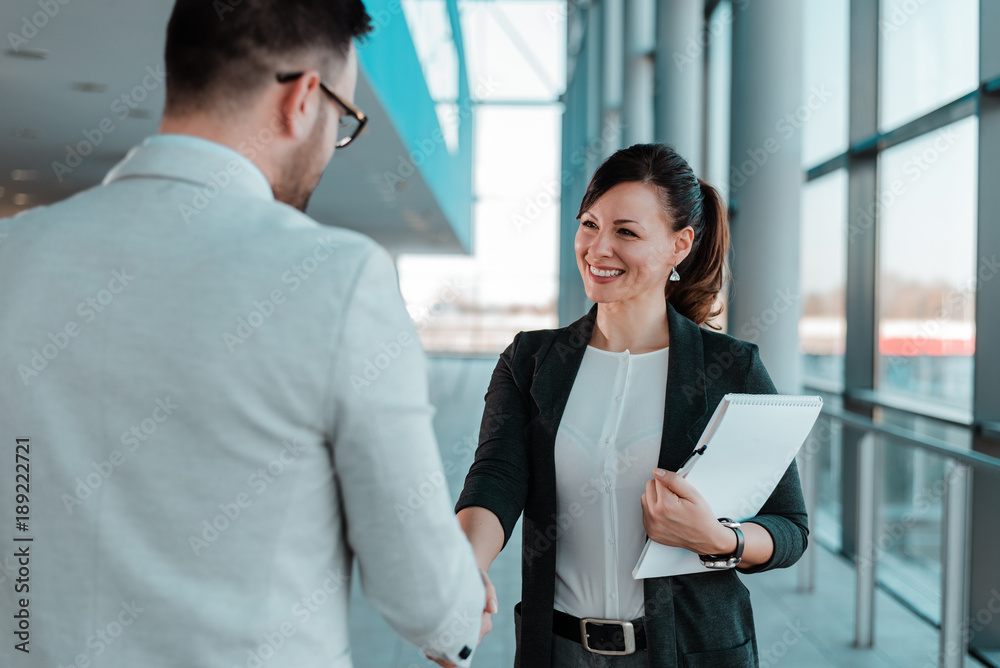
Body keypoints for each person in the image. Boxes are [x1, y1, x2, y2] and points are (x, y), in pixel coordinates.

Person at [0, 1, 489, 666]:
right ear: (303, 100)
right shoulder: (338, 279)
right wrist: (461, 606)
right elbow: (425, 596)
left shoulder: (15, 254)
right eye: (342, 119)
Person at [455, 143, 809, 667]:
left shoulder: (730, 368)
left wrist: (719, 538)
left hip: (688, 653)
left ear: (679, 245)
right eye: (589, 224)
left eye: (626, 232)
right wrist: (464, 572)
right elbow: (496, 479)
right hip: (557, 652)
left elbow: (789, 528)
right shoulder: (531, 360)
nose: (598, 248)